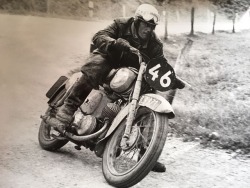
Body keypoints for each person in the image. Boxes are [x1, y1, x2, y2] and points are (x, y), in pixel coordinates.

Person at [47, 3, 177, 172]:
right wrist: (115, 43)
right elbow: (99, 36)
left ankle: (146, 151)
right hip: (109, 60)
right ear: (137, 22)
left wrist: (170, 77)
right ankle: (67, 109)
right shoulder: (121, 24)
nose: (148, 29)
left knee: (151, 94)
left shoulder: (154, 44)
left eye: (152, 26)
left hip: (132, 73)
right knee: (97, 66)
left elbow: (158, 63)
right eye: (146, 24)